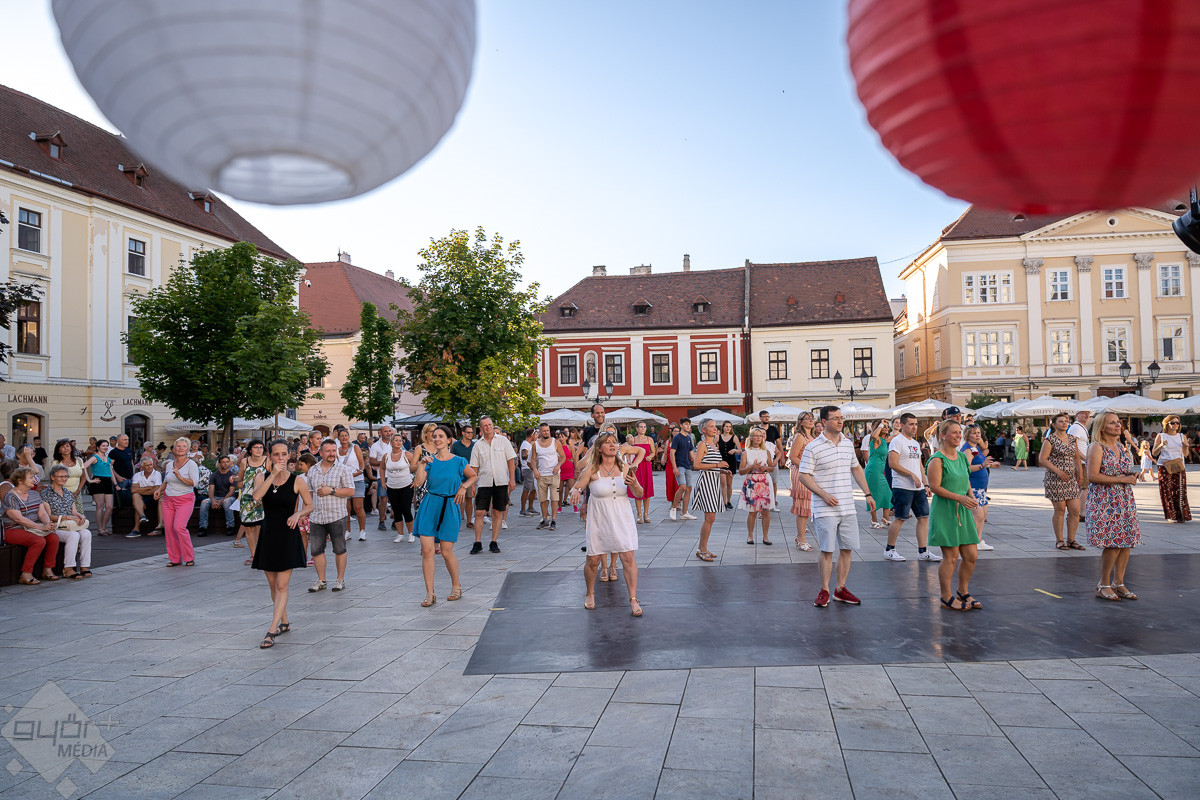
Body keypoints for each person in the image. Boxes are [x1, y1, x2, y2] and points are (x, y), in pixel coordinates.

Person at [797, 406, 876, 607]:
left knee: (847, 548)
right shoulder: (813, 447)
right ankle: (824, 590)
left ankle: (840, 589)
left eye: (842, 418)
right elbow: (803, 475)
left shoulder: (847, 444)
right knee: (827, 550)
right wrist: (823, 494)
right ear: (824, 422)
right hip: (824, 507)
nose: (840, 421)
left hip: (847, 506)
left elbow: (856, 469)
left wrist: (867, 494)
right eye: (835, 418)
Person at [571, 431, 643, 615]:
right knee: (593, 561)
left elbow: (639, 493)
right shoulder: (591, 469)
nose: (612, 445)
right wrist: (575, 491)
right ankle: (590, 593)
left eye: (614, 442)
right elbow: (577, 485)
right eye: (607, 442)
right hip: (599, 520)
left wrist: (634, 484)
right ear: (599, 448)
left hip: (622, 519)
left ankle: (633, 599)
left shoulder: (625, 468)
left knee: (628, 558)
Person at [251, 439, 313, 648]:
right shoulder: (261, 477)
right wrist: (272, 476)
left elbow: (310, 505)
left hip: (288, 534)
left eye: (284, 454)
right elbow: (256, 497)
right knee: (272, 584)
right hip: (268, 534)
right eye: (276, 454)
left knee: (281, 585)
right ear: (270, 456)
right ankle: (284, 621)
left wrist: (298, 514)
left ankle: (271, 630)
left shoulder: (298, 480)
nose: (280, 458)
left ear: (289, 455)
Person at [412, 425, 478, 606]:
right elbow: (418, 483)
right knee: (427, 551)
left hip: (450, 506)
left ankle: (456, 586)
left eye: (441, 436)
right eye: (435, 436)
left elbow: (473, 476)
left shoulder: (459, 461)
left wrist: (463, 487)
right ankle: (430, 593)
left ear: (449, 440)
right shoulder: (429, 461)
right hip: (429, 505)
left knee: (447, 552)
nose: (437, 439)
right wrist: (421, 464)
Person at [927, 420, 983, 611]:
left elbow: (965, 478)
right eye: (954, 432)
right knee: (950, 557)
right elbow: (935, 487)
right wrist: (960, 498)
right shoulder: (937, 460)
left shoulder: (961, 457)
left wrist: (971, 496)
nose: (959, 435)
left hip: (963, 509)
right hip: (945, 511)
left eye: (960, 432)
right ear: (943, 435)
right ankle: (946, 597)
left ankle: (962, 591)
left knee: (971, 555)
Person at [1086, 412, 1141, 600]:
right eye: (1112, 423)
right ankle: (1103, 584)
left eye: (1118, 422)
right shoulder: (1096, 447)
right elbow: (1092, 476)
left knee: (1126, 542)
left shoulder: (1120, 446)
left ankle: (1119, 583)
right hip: (1105, 500)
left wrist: (1131, 475)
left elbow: (1121, 471)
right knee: (1112, 543)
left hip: (1124, 498)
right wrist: (1122, 479)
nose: (1118, 425)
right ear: (1102, 427)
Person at [885, 413, 940, 562]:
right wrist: (911, 475)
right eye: (911, 424)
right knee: (900, 518)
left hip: (918, 488)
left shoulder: (915, 443)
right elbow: (892, 464)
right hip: (902, 487)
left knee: (923, 517)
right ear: (902, 425)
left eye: (916, 424)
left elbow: (919, 465)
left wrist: (925, 483)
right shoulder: (897, 441)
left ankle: (923, 551)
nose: (914, 427)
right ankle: (889, 549)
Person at [306, 438, 356, 592]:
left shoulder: (343, 469)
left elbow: (351, 491)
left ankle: (340, 580)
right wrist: (303, 513)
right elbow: (308, 494)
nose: (331, 454)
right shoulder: (313, 470)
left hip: (336, 515)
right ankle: (321, 580)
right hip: (316, 516)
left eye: (334, 451)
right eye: (328, 451)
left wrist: (331, 490)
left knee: (339, 549)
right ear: (320, 453)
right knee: (316, 550)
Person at [1, 466, 60, 585]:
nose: (35, 480)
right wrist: (40, 527)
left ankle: (48, 570)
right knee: (38, 541)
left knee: (53, 538)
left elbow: (42, 513)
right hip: (13, 529)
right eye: (31, 477)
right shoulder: (10, 496)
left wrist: (47, 523)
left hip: (32, 528)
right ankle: (26, 573)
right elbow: (18, 519)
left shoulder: (34, 494)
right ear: (20, 480)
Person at [469, 416, 516, 554]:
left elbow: (511, 460)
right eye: (485, 425)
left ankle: (494, 541)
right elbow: (474, 467)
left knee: (497, 512)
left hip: (501, 481)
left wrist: (512, 479)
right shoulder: (478, 445)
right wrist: (473, 485)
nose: (488, 427)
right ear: (481, 428)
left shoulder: (503, 441)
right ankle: (477, 542)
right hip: (484, 482)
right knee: (479, 512)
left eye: (490, 424)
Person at [1040, 412, 1084, 550]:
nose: (1064, 423)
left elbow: (1076, 457)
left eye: (1066, 421)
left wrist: (1080, 473)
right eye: (1061, 421)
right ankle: (1060, 540)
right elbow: (1042, 459)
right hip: (1055, 479)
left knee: (1075, 510)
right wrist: (1058, 471)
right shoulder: (1050, 440)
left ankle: (1071, 540)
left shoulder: (1072, 439)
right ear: (1054, 425)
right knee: (1060, 509)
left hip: (1070, 478)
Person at [41, 464, 93, 579]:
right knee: (73, 536)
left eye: (65, 476)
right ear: (52, 477)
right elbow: (48, 516)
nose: (64, 479)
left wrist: (79, 515)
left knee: (86, 533)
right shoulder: (46, 494)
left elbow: (74, 511)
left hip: (70, 525)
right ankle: (68, 568)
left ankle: (84, 566)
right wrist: (67, 517)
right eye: (61, 476)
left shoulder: (68, 493)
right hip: (55, 526)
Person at [154, 437, 199, 567]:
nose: (180, 448)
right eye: (178, 446)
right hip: (168, 500)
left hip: (185, 499)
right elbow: (166, 480)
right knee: (169, 529)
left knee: (179, 527)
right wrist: (159, 490)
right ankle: (175, 558)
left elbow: (194, 483)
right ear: (174, 449)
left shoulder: (191, 464)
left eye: (183, 446)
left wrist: (180, 476)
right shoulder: (169, 464)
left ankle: (189, 557)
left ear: (188, 449)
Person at [691, 418, 730, 562]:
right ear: (703, 430)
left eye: (715, 426)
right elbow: (696, 465)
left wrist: (723, 471)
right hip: (706, 483)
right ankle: (702, 550)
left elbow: (711, 465)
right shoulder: (702, 444)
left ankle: (702, 548)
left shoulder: (714, 445)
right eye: (711, 426)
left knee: (711, 518)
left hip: (714, 482)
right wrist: (718, 465)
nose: (715, 428)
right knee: (710, 518)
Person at [959, 424, 998, 551]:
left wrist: (990, 465)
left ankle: (978, 540)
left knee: (983, 515)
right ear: (967, 435)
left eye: (979, 433)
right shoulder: (968, 450)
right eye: (974, 433)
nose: (977, 435)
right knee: (978, 515)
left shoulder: (975, 448)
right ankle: (972, 541)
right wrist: (982, 466)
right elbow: (966, 469)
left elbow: (981, 463)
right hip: (973, 488)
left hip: (981, 489)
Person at [1153, 414, 1191, 522]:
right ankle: (1171, 515)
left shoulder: (1181, 436)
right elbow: (1154, 453)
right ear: (1166, 424)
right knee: (1167, 491)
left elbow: (1186, 454)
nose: (1175, 425)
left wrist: (1185, 447)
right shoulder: (1161, 436)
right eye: (1172, 423)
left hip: (1178, 466)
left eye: (1177, 423)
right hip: (1164, 466)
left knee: (1180, 491)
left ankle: (1181, 516)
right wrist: (1161, 445)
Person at [739, 426, 774, 545]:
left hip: (765, 481)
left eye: (760, 436)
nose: (758, 438)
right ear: (751, 437)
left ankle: (766, 537)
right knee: (752, 511)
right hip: (752, 481)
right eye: (756, 436)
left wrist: (765, 468)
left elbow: (771, 468)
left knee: (766, 511)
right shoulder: (746, 452)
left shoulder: (766, 452)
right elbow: (741, 471)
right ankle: (750, 536)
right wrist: (750, 467)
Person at [235, 440, 269, 561]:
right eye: (256, 447)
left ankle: (261, 553)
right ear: (250, 450)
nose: (259, 449)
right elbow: (240, 477)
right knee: (248, 527)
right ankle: (254, 555)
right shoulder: (245, 461)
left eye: (261, 447)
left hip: (262, 497)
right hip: (247, 497)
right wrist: (234, 478)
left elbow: (272, 477)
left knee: (260, 527)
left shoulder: (267, 461)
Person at [788, 412, 817, 551]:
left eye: (812, 418)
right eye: (807, 419)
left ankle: (801, 537)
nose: (811, 421)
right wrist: (807, 468)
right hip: (801, 473)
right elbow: (793, 457)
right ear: (800, 421)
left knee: (807, 508)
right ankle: (801, 539)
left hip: (810, 474)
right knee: (802, 508)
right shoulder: (800, 436)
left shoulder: (813, 437)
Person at [530, 423, 566, 531]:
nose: (546, 433)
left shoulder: (555, 442)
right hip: (541, 475)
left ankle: (553, 520)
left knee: (554, 498)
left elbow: (563, 457)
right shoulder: (535, 444)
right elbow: (532, 460)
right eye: (544, 431)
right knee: (543, 499)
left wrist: (558, 466)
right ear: (540, 432)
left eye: (548, 430)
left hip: (554, 474)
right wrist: (535, 469)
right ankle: (545, 519)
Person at [383, 432, 417, 542]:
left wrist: (416, 480)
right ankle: (400, 535)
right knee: (396, 510)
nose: (398, 442)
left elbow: (417, 466)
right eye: (396, 440)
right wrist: (383, 481)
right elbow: (382, 468)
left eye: (400, 440)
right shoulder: (386, 456)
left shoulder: (407, 454)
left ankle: (411, 534)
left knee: (406, 509)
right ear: (391, 442)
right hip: (392, 486)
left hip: (406, 485)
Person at [336, 427, 368, 540]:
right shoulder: (337, 450)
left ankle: (362, 531)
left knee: (358, 507)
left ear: (349, 437)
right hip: (344, 482)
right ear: (338, 438)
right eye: (342, 436)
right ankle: (347, 531)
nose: (344, 438)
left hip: (357, 479)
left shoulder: (355, 447)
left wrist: (360, 471)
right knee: (346, 508)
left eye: (346, 435)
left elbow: (361, 462)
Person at [863, 419, 894, 530]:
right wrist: (881, 424)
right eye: (884, 427)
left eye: (887, 426)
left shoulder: (885, 440)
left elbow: (896, 435)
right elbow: (874, 435)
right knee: (874, 495)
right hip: (873, 470)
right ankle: (874, 520)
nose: (886, 428)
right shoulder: (876, 440)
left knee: (887, 493)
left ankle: (885, 518)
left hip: (879, 471)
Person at [199, 455, 237, 536]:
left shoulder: (232, 475)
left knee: (226, 502)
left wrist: (220, 501)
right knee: (204, 502)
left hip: (229, 497)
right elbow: (211, 489)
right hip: (216, 497)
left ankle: (230, 526)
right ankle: (203, 527)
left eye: (227, 462)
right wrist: (213, 501)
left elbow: (231, 492)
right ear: (219, 464)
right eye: (223, 462)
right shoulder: (214, 475)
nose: (226, 464)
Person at [628, 421, 657, 523]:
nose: (643, 428)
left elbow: (653, 452)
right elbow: (627, 451)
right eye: (641, 427)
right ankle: (639, 514)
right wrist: (629, 461)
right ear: (637, 428)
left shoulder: (649, 439)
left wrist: (650, 456)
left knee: (647, 488)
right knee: (638, 488)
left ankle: (646, 513)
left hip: (646, 465)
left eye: (644, 427)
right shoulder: (632, 440)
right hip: (637, 466)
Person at [669, 418, 698, 521]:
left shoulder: (689, 438)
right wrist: (675, 467)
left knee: (689, 489)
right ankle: (673, 508)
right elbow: (672, 453)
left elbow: (691, 453)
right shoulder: (677, 438)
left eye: (689, 424)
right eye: (686, 424)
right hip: (679, 466)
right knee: (682, 487)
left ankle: (684, 513)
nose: (688, 426)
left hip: (687, 466)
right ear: (681, 425)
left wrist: (697, 463)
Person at [50, 439, 89, 515]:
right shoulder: (56, 463)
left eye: (67, 446)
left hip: (76, 494)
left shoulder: (79, 460)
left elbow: (83, 477)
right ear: (59, 450)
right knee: (64, 517)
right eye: (62, 447)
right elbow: (53, 480)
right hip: (61, 495)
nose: (66, 448)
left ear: (71, 448)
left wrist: (78, 490)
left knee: (79, 516)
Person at [368, 425, 395, 531]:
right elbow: (371, 461)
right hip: (383, 475)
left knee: (395, 499)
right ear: (380, 433)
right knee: (383, 499)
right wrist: (384, 462)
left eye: (389, 431)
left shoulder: (395, 443)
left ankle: (395, 520)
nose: (388, 433)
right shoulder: (376, 446)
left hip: (396, 475)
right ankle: (381, 521)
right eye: (385, 431)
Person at [128, 457, 162, 536]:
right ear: (142, 467)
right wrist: (150, 488)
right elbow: (133, 490)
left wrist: (140, 489)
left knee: (138, 500)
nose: (150, 467)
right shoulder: (137, 475)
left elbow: (156, 490)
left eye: (151, 464)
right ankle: (142, 517)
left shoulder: (157, 474)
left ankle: (137, 529)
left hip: (155, 497)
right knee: (135, 496)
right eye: (147, 465)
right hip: (142, 498)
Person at [450, 425, 476, 524]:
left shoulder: (474, 445)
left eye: (472, 432)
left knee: (469, 498)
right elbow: (452, 459)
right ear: (463, 433)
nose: (470, 434)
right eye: (468, 432)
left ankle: (469, 521)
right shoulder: (456, 445)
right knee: (459, 498)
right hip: (458, 476)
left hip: (470, 476)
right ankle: (458, 518)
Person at [717, 421, 742, 510]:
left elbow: (740, 450)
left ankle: (728, 501)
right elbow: (711, 446)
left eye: (730, 427)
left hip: (731, 462)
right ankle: (724, 502)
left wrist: (734, 450)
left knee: (729, 483)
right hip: (721, 462)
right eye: (726, 426)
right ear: (723, 427)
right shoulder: (718, 437)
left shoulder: (734, 437)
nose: (728, 428)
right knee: (723, 483)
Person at [758, 410, 782, 503]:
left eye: (768, 416)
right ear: (760, 418)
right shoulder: (756, 429)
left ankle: (773, 500)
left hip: (773, 459)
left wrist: (781, 458)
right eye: (764, 416)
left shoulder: (773, 429)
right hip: (760, 461)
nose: (766, 418)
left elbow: (778, 443)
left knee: (774, 481)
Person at [518, 429, 538, 517]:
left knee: (533, 489)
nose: (536, 436)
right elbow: (524, 455)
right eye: (535, 434)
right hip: (527, 468)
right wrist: (532, 457)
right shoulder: (525, 444)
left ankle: (530, 507)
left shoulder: (530, 444)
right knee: (527, 489)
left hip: (531, 469)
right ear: (531, 435)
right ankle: (523, 509)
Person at [557, 429, 577, 512]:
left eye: (562, 437)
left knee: (572, 489)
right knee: (560, 490)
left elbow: (574, 459)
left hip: (569, 470)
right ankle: (559, 507)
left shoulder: (571, 447)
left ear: (566, 437)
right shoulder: (557, 448)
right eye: (559, 437)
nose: (561, 439)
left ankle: (575, 506)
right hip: (560, 471)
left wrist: (577, 470)